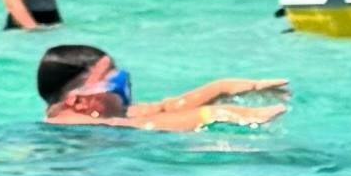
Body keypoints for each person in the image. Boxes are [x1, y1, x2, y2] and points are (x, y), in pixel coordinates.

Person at [36, 45, 287, 132]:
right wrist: (217, 114)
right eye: (109, 78)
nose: (122, 80)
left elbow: (166, 108)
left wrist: (223, 88)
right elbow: (147, 126)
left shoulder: (104, 114)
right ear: (78, 102)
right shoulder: (70, 124)